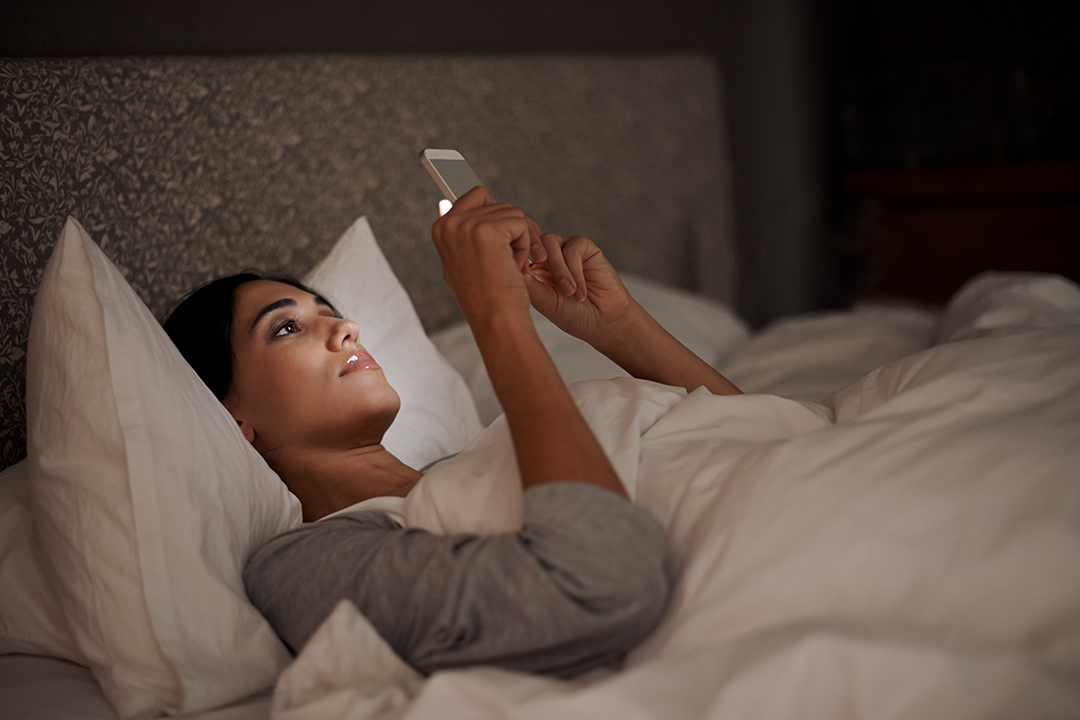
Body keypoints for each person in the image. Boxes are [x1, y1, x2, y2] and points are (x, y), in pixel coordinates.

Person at [164, 186, 741, 678]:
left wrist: (619, 326)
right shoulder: (298, 568)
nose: (345, 326)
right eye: (287, 326)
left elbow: (756, 433)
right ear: (231, 420)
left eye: (328, 310)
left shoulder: (472, 467)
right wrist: (496, 314)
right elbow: (601, 584)